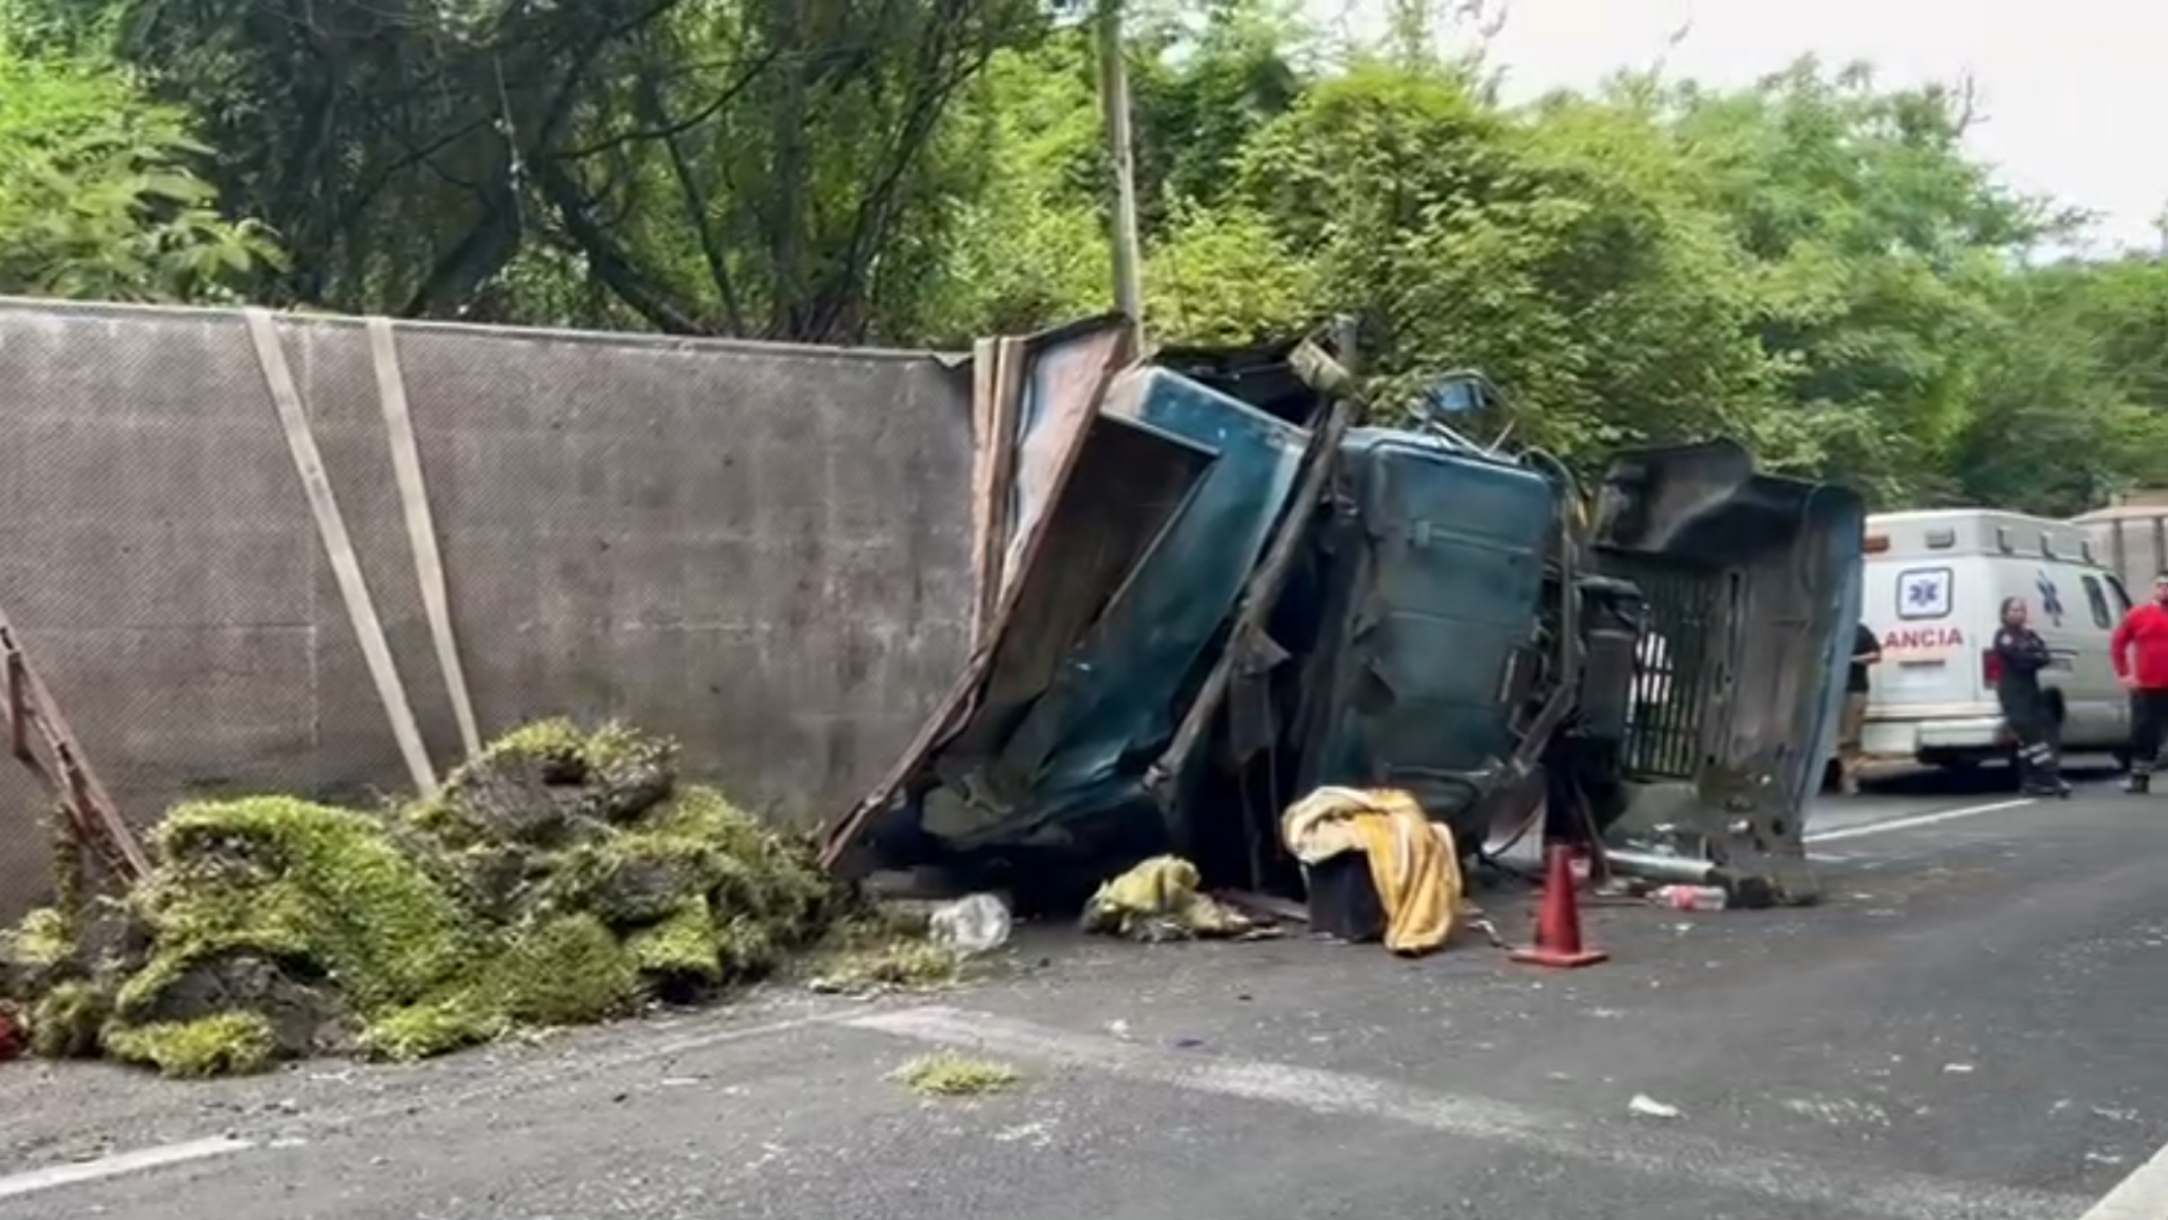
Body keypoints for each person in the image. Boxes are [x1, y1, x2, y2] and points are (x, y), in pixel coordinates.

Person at [1992, 596, 2069, 797]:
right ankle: (2051, 778)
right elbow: (2019, 659)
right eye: (2013, 610)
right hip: (2013, 693)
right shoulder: (2003, 636)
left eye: (2021, 610)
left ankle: (2030, 781)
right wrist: (2031, 656)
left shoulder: (2029, 635)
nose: (2018, 614)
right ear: (2004, 614)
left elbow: (2043, 655)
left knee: (2027, 743)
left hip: (2031, 690)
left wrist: (2032, 656)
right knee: (2034, 738)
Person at [2111, 572, 2168, 793]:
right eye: (2160, 586)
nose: (2165, 590)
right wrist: (2125, 673)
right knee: (2144, 733)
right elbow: (2118, 644)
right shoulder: (2138, 614)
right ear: (2153, 588)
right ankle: (2139, 778)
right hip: (2147, 685)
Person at [1836, 622, 1881, 795]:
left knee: (1849, 736)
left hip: (1854, 688)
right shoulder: (1827, 628)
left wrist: (1852, 660)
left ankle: (1849, 776)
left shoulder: (1860, 631)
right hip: (1828, 691)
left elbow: (1876, 655)